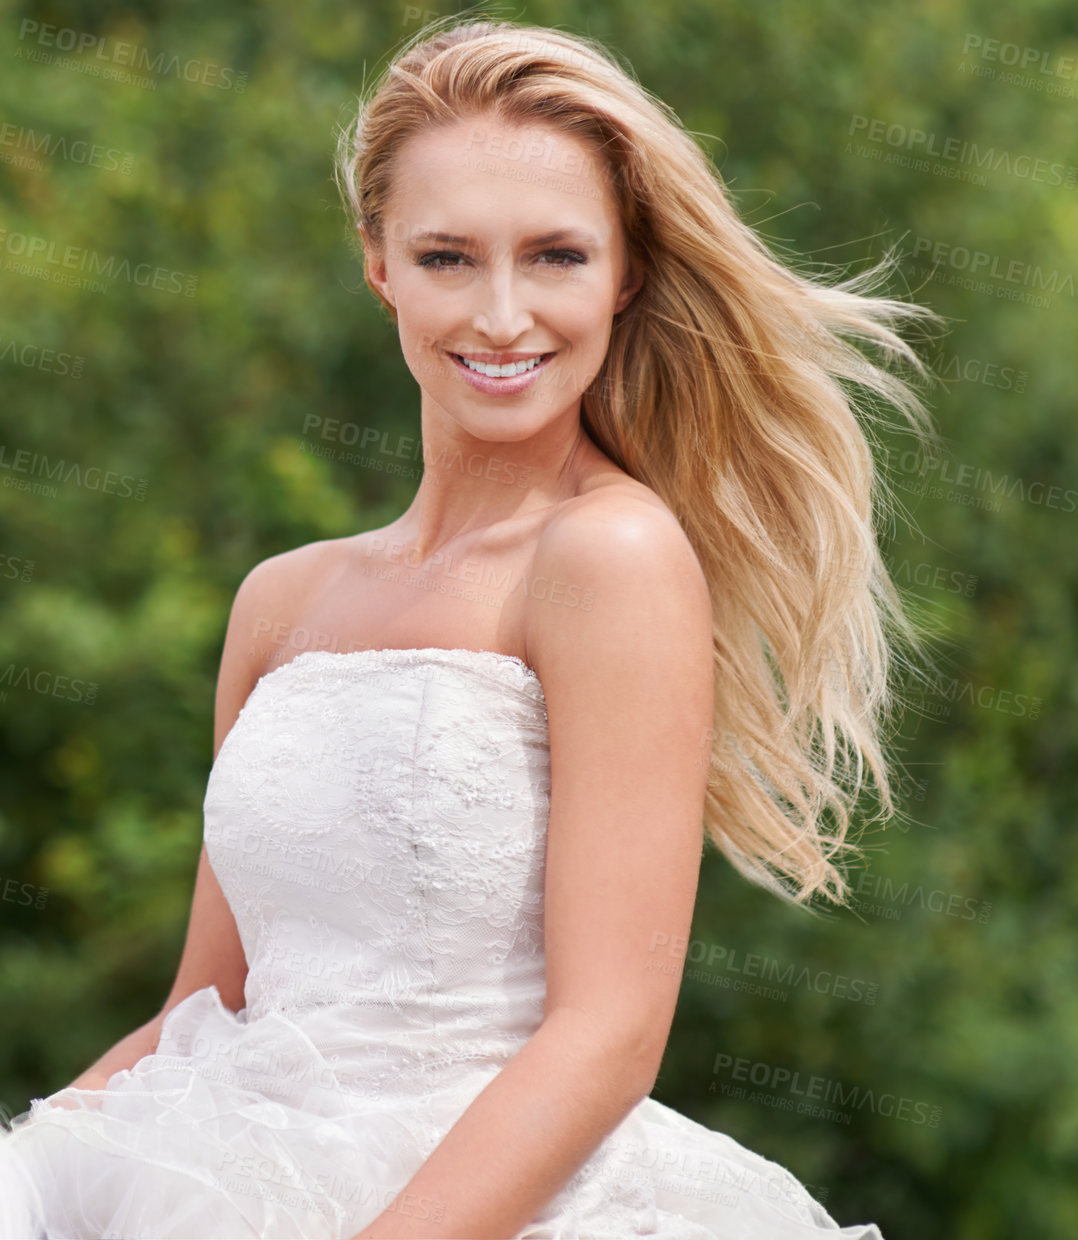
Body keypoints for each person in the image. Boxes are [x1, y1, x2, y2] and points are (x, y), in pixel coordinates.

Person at [0, 16, 939, 1238]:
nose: (502, 317)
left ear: (627, 275)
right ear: (377, 261)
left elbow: (606, 1036)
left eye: (555, 256)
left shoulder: (609, 557)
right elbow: (210, 1004)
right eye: (448, 257)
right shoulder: (280, 602)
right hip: (219, 1180)